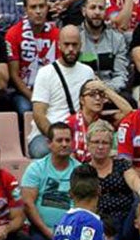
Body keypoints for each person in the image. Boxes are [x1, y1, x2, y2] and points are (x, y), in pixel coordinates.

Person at [27, 25, 95, 159]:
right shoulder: (44, 73)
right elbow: (39, 114)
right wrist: (57, 139)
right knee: (42, 152)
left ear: (81, 45)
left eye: (75, 45)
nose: (71, 49)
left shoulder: (88, 72)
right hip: (47, 134)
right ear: (59, 45)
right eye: (67, 44)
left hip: (78, 132)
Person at [22, 122, 81, 240]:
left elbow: (83, 204)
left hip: (72, 230)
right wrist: (49, 232)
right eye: (59, 140)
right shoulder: (36, 168)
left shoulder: (80, 170)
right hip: (41, 229)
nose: (64, 144)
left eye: (67, 140)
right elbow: (28, 203)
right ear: (49, 143)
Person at [6, 0, 59, 120]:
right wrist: (35, 98)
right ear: (25, 10)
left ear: (47, 8)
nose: (38, 11)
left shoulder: (56, 33)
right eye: (33, 7)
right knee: (25, 109)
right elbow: (14, 75)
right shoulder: (13, 34)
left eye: (42, 6)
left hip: (52, 91)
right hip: (24, 92)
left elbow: (60, 69)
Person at [85, 121, 134, 240]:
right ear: (88, 144)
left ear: (111, 145)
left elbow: (136, 183)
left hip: (127, 220)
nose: (100, 147)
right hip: (101, 222)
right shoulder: (83, 170)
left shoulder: (122, 165)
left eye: (105, 143)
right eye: (96, 142)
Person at [79, 0, 129, 94]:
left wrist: (107, 90)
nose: (97, 12)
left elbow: (121, 74)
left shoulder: (117, 39)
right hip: (83, 93)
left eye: (101, 8)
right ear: (84, 11)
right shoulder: (76, 38)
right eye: (93, 7)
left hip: (111, 92)